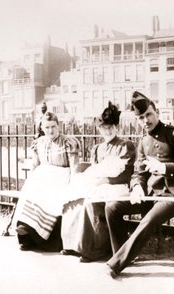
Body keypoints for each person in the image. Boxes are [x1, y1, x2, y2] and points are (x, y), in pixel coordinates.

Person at [105, 91, 174, 278]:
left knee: (148, 220)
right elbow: (139, 172)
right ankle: (121, 254)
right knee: (112, 207)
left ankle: (117, 263)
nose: (145, 121)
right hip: (151, 195)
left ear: (157, 112)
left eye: (148, 115)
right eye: (140, 118)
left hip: (172, 197)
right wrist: (137, 186)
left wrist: (162, 168)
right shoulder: (144, 141)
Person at [60, 102, 136, 262]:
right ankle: (73, 245)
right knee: (75, 200)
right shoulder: (97, 148)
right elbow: (94, 171)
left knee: (90, 202)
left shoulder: (125, 146)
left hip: (117, 186)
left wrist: (102, 181)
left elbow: (125, 176)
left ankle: (95, 249)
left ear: (117, 127)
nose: (107, 131)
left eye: (110, 127)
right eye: (103, 128)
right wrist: (93, 181)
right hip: (100, 186)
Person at [13, 112, 80, 252]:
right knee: (32, 193)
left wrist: (75, 184)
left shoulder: (68, 142)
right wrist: (31, 181)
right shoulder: (39, 143)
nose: (50, 130)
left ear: (59, 126)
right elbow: (35, 165)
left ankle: (46, 239)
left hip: (61, 177)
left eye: (53, 127)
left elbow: (74, 167)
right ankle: (27, 236)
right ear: (42, 128)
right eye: (47, 127)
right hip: (43, 177)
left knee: (50, 198)